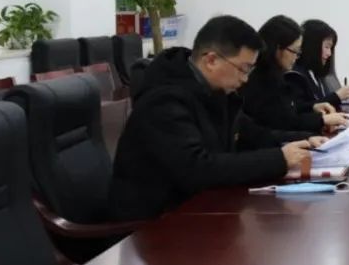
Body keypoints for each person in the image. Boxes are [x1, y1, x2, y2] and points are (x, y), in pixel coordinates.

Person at [110, 15, 322, 221]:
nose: (246, 79)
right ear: (211, 60)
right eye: (244, 69)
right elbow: (197, 169)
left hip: (197, 210)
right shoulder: (164, 100)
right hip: (155, 223)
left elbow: (254, 134)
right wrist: (278, 159)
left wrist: (304, 140)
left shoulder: (217, 93)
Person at [240, 15, 348, 134]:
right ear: (278, 49)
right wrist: (321, 120)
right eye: (295, 51)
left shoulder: (275, 75)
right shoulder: (264, 81)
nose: (296, 57)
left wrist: (312, 108)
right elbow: (283, 124)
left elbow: (288, 113)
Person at [287, 18, 349, 112]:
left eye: (331, 48)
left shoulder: (314, 72)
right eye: (327, 47)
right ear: (312, 46)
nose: (329, 53)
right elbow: (302, 109)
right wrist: (337, 96)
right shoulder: (295, 75)